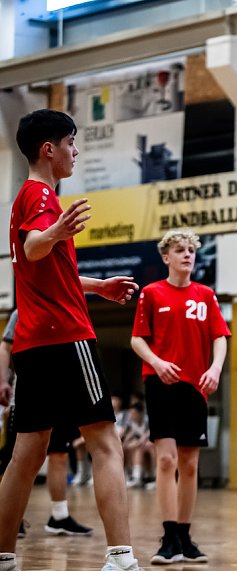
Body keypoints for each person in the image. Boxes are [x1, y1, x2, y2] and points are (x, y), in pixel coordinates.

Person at [0, 108, 142, 571]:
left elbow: (45, 267)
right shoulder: (42, 196)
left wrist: (96, 285)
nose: (75, 151)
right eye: (71, 143)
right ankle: (121, 557)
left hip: (33, 342)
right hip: (67, 338)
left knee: (26, 454)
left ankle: (3, 556)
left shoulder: (24, 196)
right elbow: (33, 246)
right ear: (50, 148)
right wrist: (56, 230)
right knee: (106, 445)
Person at [131, 228, 230, 564]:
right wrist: (157, 363)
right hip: (161, 383)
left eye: (191, 250)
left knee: (189, 464)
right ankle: (169, 537)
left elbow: (220, 336)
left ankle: (186, 538)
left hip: (195, 386)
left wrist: (215, 368)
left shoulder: (205, 294)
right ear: (165, 257)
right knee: (165, 460)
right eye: (180, 250)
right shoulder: (151, 293)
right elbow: (137, 339)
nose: (187, 255)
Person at [0, 309, 94, 538]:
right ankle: (11, 517)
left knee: (59, 454)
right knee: (19, 459)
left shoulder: (69, 307)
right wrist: (3, 380)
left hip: (62, 395)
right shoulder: (23, 309)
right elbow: (5, 347)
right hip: (29, 394)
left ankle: (59, 516)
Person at [122, 400, 154, 489]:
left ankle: (151, 477)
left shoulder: (147, 421)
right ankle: (131, 476)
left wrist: (135, 443)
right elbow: (130, 435)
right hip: (142, 445)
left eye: (134, 414)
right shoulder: (132, 422)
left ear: (140, 413)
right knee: (127, 447)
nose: (132, 416)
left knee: (139, 447)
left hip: (151, 444)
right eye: (131, 414)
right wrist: (125, 444)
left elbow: (145, 437)